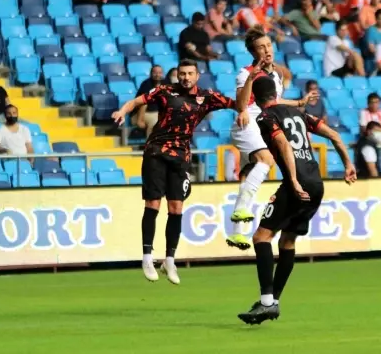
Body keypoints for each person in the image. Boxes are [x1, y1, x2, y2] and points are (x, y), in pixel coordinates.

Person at [112, 60, 245, 284]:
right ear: (178, 75)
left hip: (181, 156)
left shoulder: (207, 97)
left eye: (190, 73)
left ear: (197, 75)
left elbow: (236, 104)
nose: (185, 77)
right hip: (156, 151)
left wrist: (246, 104)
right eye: (182, 73)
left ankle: (169, 260)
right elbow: (138, 100)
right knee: (153, 203)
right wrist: (122, 111)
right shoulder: (165, 91)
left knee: (176, 207)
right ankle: (146, 257)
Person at [237, 76, 356, 325]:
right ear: (276, 94)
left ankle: (267, 302)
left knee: (261, 237)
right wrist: (348, 164)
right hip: (316, 184)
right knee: (288, 241)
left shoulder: (265, 117)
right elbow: (333, 134)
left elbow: (282, 143)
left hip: (298, 183)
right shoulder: (297, 113)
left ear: (256, 100)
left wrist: (292, 180)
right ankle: (273, 302)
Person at [226, 29, 317, 251]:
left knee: (249, 172)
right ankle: (241, 210)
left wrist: (300, 102)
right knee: (266, 160)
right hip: (248, 123)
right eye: (261, 47)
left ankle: (238, 233)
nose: (267, 50)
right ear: (253, 52)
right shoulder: (245, 72)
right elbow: (241, 103)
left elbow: (276, 101)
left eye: (268, 45)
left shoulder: (275, 75)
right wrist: (247, 93)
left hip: (265, 124)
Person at [134, 65, 164, 136]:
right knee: (155, 122)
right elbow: (143, 103)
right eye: (155, 72)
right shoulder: (146, 85)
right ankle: (151, 145)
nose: (157, 75)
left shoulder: (166, 83)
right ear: (150, 74)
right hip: (145, 112)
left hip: (160, 112)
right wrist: (140, 120)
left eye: (159, 73)